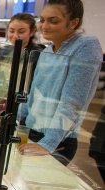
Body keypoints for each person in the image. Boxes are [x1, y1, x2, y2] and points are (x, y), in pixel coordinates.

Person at [17, 0, 103, 165]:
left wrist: (48, 144)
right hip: (31, 132)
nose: (45, 26)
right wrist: (18, 120)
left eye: (53, 21)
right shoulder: (47, 50)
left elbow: (72, 102)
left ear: (73, 22)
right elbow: (33, 92)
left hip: (58, 140)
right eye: (42, 20)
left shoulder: (86, 46)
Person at [0, 13, 45, 114]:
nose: (15, 36)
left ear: (32, 32)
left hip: (19, 113)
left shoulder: (37, 55)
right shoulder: (4, 51)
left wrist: (2, 108)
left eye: (21, 31)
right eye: (11, 31)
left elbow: (32, 93)